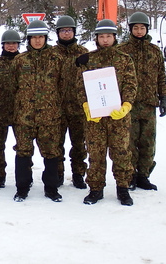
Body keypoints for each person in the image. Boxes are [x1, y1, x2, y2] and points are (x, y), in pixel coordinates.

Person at [75, 19, 137, 206]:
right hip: (95, 118)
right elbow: (80, 86)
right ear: (96, 38)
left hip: (118, 116)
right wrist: (86, 105)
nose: (105, 40)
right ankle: (95, 188)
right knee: (95, 153)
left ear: (114, 37)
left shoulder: (124, 59)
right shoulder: (89, 59)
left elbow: (130, 84)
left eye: (108, 36)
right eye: (101, 36)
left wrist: (126, 105)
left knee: (121, 152)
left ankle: (123, 188)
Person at [11, 20, 64, 202]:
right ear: (29, 39)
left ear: (46, 38)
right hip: (24, 117)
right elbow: (12, 87)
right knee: (23, 152)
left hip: (50, 117)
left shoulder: (56, 59)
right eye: (34, 37)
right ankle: (22, 188)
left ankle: (51, 188)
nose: (37, 41)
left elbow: (63, 86)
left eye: (41, 37)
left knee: (51, 153)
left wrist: (57, 108)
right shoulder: (20, 60)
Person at [118, 12, 166, 191]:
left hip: (148, 104)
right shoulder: (122, 50)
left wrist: (164, 98)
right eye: (136, 28)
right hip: (128, 105)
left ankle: (143, 175)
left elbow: (161, 76)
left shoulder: (154, 51)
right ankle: (130, 176)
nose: (139, 31)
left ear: (146, 29)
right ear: (131, 29)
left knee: (147, 143)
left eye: (142, 28)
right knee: (129, 143)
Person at [52, 16, 89, 189]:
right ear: (58, 33)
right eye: (62, 31)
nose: (66, 33)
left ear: (74, 32)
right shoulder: (51, 53)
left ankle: (78, 174)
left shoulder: (83, 52)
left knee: (79, 145)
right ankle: (58, 174)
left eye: (69, 30)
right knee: (56, 144)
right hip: (56, 108)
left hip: (78, 108)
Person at [0, 29, 21, 189]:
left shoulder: (24, 62)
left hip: (20, 112)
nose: (11, 46)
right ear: (3, 45)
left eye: (14, 43)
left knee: (23, 147)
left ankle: (22, 176)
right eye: (8, 43)